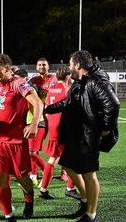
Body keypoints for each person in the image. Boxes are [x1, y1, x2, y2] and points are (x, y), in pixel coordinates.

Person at [45, 50, 120, 222]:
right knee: (68, 165)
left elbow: (113, 105)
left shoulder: (96, 81)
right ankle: (85, 201)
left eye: (71, 64)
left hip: (89, 136)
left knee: (88, 173)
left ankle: (91, 214)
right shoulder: (81, 80)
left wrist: (106, 129)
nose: (69, 67)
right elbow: (68, 101)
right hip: (77, 134)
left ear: (78, 65)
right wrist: (49, 108)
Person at [0, 53, 43, 222]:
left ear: (7, 69)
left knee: (23, 178)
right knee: (0, 178)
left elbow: (38, 103)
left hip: (17, 142)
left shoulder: (19, 84)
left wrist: (33, 124)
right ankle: (9, 216)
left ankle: (29, 200)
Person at [41, 66, 81, 201]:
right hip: (64, 129)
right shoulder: (67, 90)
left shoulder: (51, 90)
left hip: (53, 127)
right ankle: (70, 188)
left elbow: (47, 109)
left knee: (53, 158)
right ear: (68, 76)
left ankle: (43, 188)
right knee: (75, 159)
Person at [27, 57, 57, 188]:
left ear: (48, 66)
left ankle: (61, 173)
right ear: (36, 67)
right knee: (34, 149)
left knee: (57, 145)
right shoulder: (33, 81)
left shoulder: (54, 80)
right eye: (39, 65)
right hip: (38, 118)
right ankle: (33, 174)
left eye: (44, 65)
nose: (42, 67)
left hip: (51, 117)